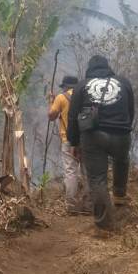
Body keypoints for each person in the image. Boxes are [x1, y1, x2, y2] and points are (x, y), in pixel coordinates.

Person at [66, 55, 135, 230]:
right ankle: (120, 201)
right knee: (121, 162)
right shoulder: (124, 83)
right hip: (121, 133)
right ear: (108, 66)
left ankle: (104, 225)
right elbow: (131, 110)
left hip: (93, 136)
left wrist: (74, 142)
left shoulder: (81, 86)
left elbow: (72, 117)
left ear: (89, 68)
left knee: (97, 179)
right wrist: (125, 128)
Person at [48, 75, 90, 213]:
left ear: (65, 86)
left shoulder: (61, 98)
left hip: (68, 140)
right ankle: (89, 204)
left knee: (71, 171)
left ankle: (72, 206)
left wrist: (51, 102)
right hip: (86, 138)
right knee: (87, 171)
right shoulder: (86, 96)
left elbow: (51, 116)